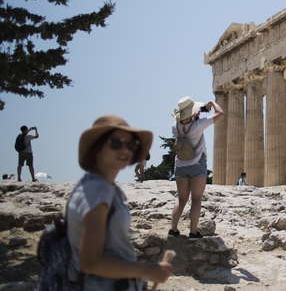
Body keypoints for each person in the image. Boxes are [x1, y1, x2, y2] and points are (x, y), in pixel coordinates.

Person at [67, 115, 173, 290]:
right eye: (116, 143)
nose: (125, 149)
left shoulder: (107, 188)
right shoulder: (97, 191)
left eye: (130, 144)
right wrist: (148, 270)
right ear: (97, 149)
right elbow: (90, 262)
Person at [169, 97, 225, 240]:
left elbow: (184, 122)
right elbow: (220, 114)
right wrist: (212, 103)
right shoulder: (199, 124)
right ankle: (193, 232)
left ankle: (173, 229)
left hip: (180, 164)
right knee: (196, 199)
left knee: (181, 199)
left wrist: (196, 113)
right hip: (197, 164)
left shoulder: (174, 126)